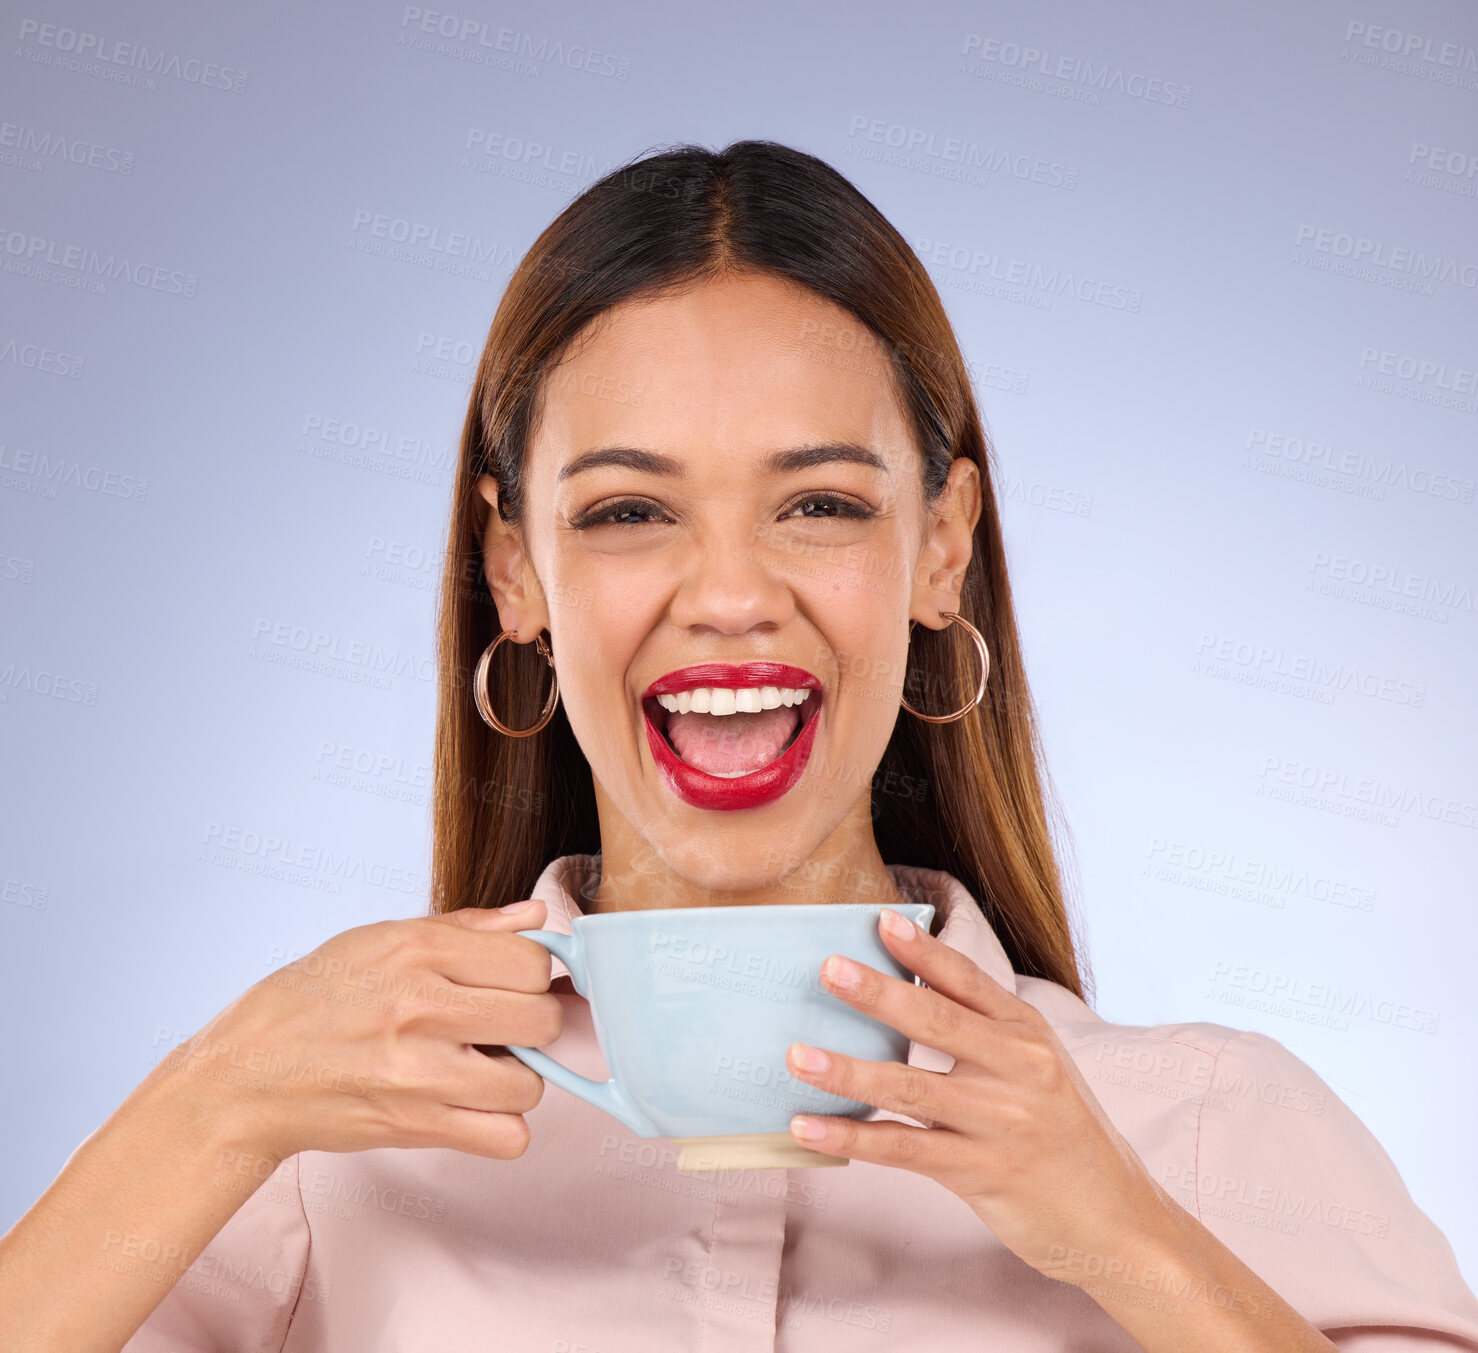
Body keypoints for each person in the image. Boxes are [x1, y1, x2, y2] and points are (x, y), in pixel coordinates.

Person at [3, 139, 1476, 1353]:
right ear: (514, 573)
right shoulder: (333, 1151)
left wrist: (1128, 1239)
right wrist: (210, 1096)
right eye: (628, 510)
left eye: (820, 503)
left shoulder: (1199, 1127)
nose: (725, 595)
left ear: (940, 548)